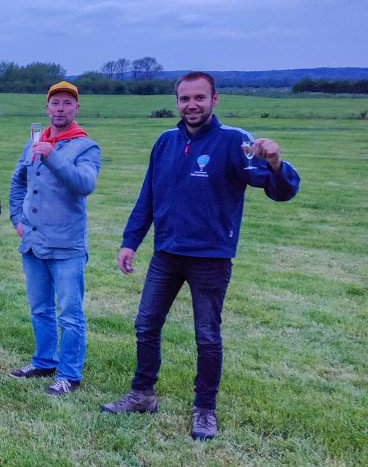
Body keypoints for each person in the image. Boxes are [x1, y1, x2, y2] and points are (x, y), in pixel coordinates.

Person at [103, 71, 301, 439]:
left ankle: (205, 409)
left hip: (210, 257)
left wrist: (276, 163)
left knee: (207, 336)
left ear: (214, 99)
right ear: (177, 102)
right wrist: (130, 241)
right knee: (146, 324)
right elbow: (148, 196)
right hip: (166, 253)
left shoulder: (235, 141)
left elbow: (280, 191)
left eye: (199, 98)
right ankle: (142, 394)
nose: (191, 105)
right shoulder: (165, 141)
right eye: (185, 98)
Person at [7, 81, 101, 396]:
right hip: (33, 243)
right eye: (55, 103)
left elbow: (85, 184)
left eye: (67, 103)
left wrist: (52, 156)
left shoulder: (86, 146)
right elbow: (17, 181)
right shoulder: (33, 142)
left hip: (66, 246)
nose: (60, 109)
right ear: (47, 108)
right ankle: (44, 361)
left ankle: (69, 375)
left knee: (69, 315)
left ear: (76, 108)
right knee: (40, 309)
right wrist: (17, 219)